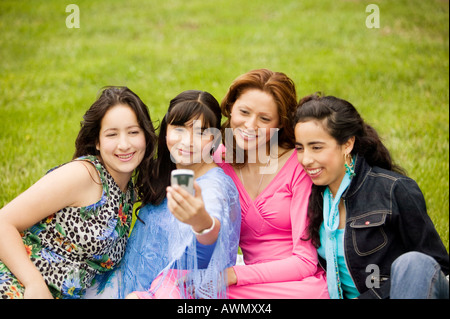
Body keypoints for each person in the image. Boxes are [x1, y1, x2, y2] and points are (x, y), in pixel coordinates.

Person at [0, 86, 157, 299]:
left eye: (133, 132)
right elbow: (3, 222)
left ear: (146, 137)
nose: (124, 144)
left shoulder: (127, 191)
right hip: (18, 284)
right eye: (112, 134)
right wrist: (33, 283)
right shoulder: (83, 175)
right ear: (97, 142)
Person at [86, 90, 241, 299]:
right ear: (166, 131)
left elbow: (204, 255)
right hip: (124, 283)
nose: (188, 141)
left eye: (201, 132)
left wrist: (203, 223)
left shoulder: (214, 188)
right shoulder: (167, 172)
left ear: (214, 139)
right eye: (179, 128)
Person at [294, 93, 449, 299]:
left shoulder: (394, 190)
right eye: (299, 148)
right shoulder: (310, 196)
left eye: (316, 148)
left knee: (413, 263)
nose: (305, 159)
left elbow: (435, 266)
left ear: (347, 144)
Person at [213, 69, 329, 298]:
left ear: (279, 124)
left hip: (295, 284)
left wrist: (234, 275)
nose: (249, 125)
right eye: (243, 112)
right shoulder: (219, 159)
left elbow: (305, 261)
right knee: (183, 284)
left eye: (264, 119)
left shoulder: (297, 164)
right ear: (231, 108)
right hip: (246, 283)